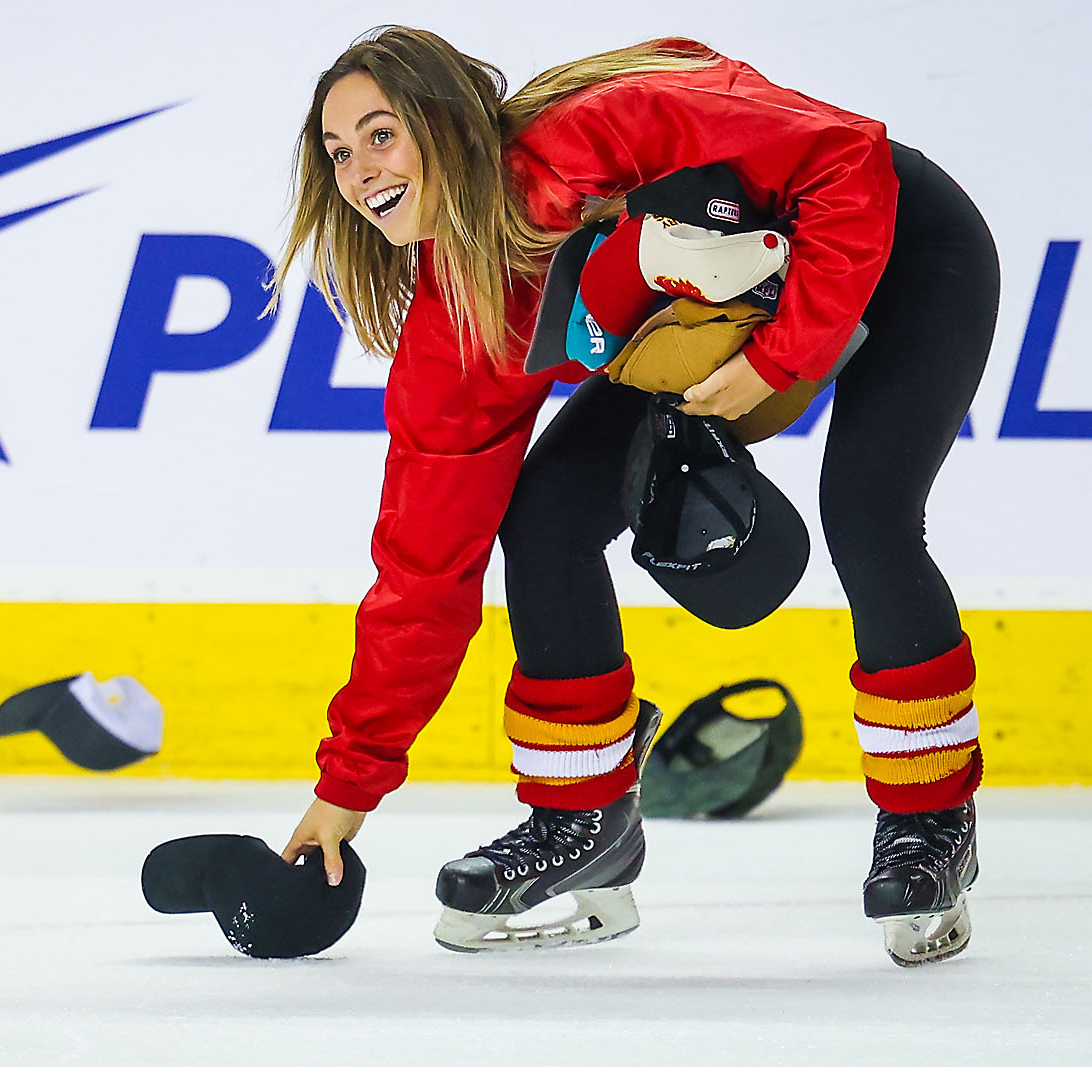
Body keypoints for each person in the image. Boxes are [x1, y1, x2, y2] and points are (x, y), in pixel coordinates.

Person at [270, 27, 998, 965]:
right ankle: (583, 824)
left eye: (380, 134)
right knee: (545, 522)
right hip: (731, 310)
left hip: (900, 244)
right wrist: (350, 784)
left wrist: (777, 360)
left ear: (446, 119)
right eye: (337, 154)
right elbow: (424, 564)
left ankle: (931, 821)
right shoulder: (465, 316)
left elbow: (843, 154)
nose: (360, 171)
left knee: (869, 512)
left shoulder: (598, 131)